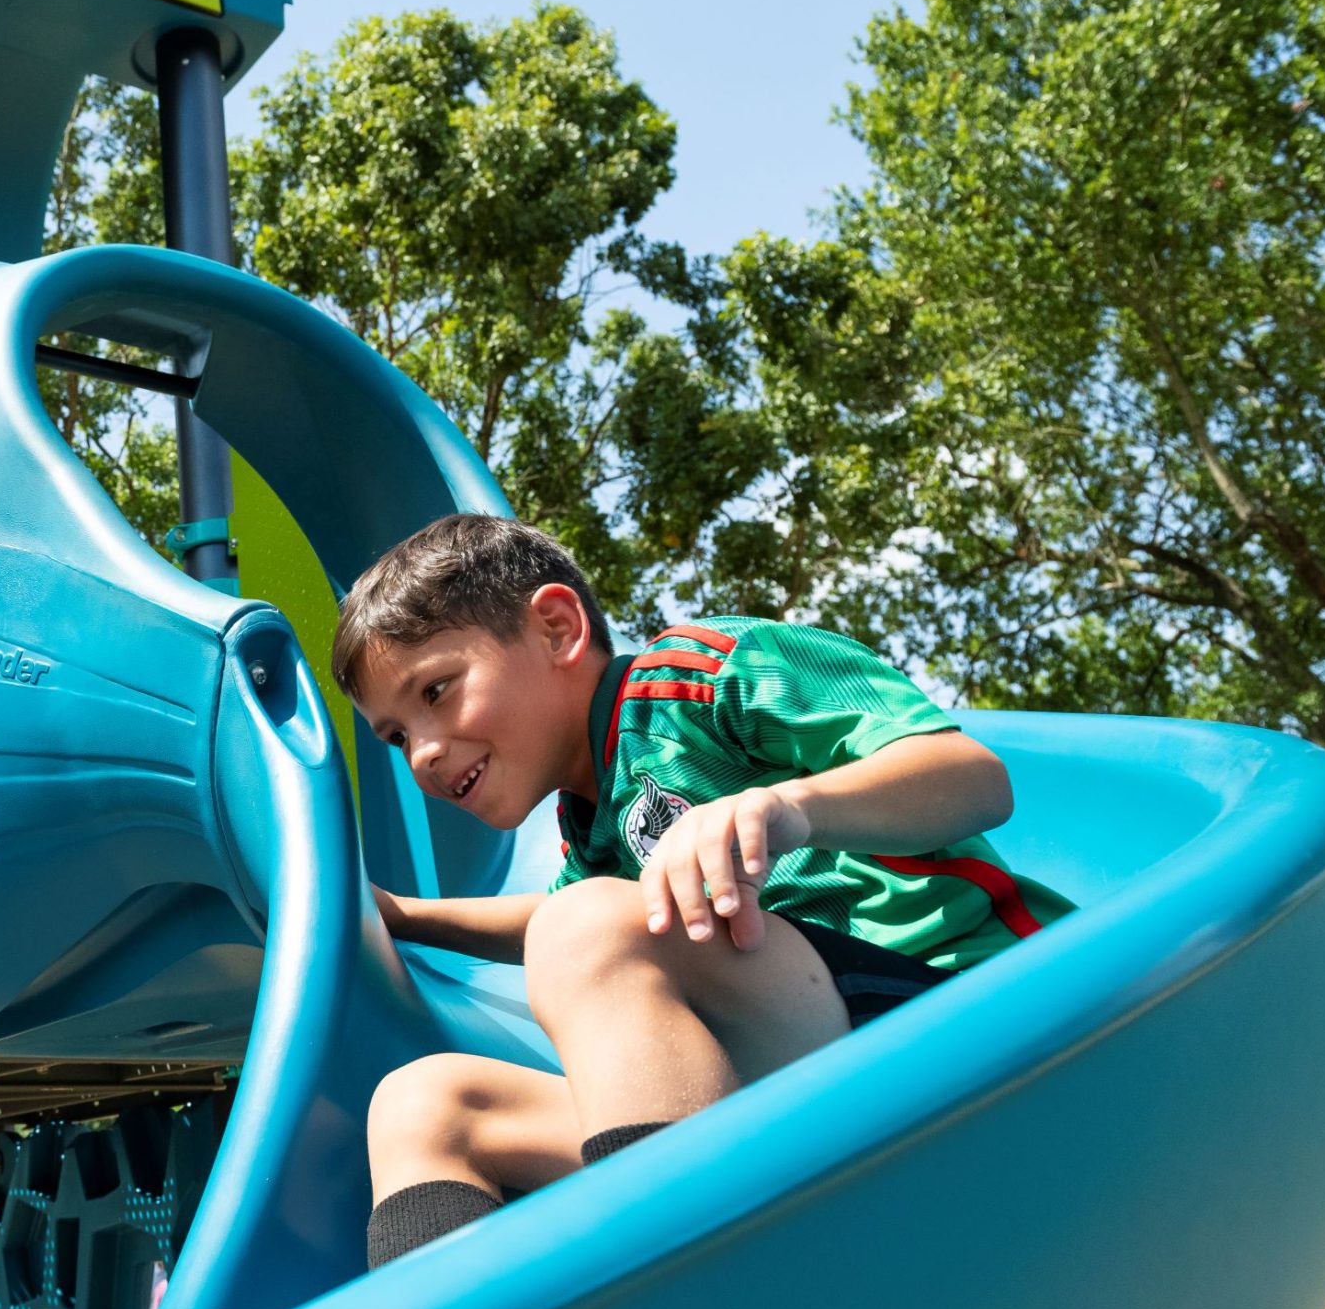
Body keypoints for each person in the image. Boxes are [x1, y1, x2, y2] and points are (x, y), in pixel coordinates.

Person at [339, 515, 1074, 1267]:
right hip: (778, 1083)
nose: (422, 754)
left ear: (557, 629)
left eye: (437, 690)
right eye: (396, 737)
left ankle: (682, 1296)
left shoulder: (700, 677)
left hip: (961, 1022)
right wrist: (404, 917)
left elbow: (974, 778)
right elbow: (557, 920)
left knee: (587, 925)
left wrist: (789, 808)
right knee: (427, 1103)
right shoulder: (591, 822)